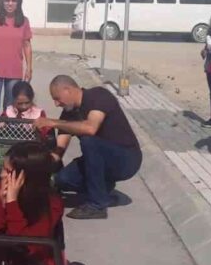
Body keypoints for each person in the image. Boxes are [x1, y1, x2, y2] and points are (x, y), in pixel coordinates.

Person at [32, 75, 143, 220]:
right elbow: (60, 148)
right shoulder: (69, 112)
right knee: (63, 179)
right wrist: (43, 168)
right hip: (101, 161)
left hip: (126, 159)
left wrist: (53, 122)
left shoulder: (98, 96)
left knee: (88, 141)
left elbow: (90, 128)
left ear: (68, 90)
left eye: (57, 98)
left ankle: (97, 205)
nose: (56, 104)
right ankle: (103, 189)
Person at [0, 142, 63, 238]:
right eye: (3, 169)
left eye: (8, 171)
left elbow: (30, 243)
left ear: (26, 178)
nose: (2, 175)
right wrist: (2, 205)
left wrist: (11, 204)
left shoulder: (52, 203)